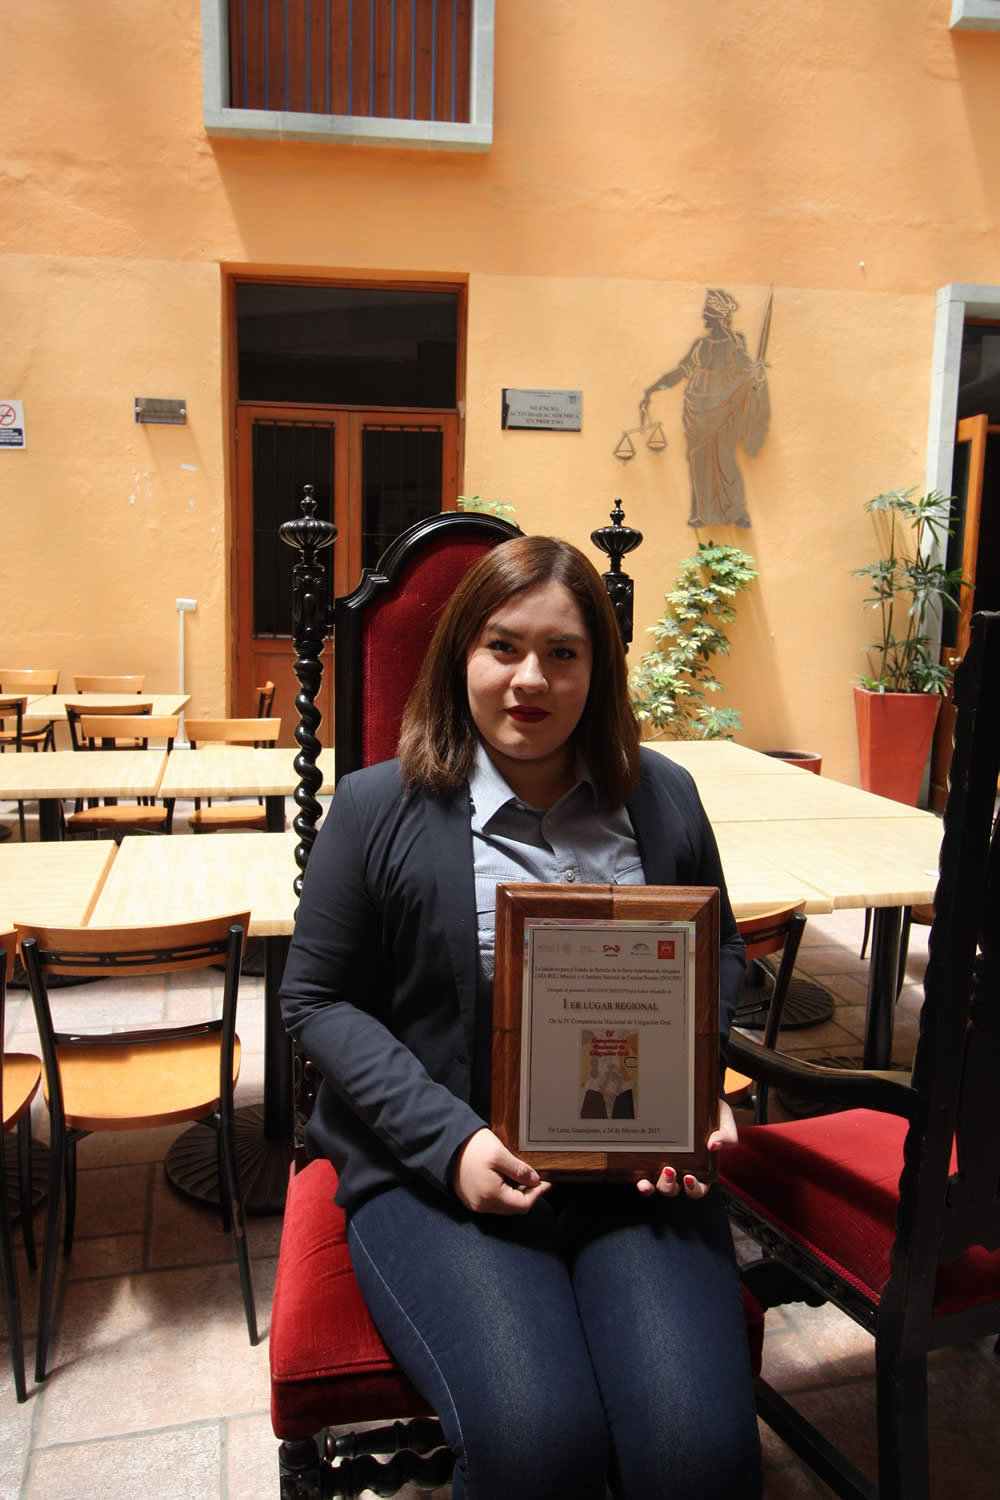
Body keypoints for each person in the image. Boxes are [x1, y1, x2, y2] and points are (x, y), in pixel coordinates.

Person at [281, 535, 762, 1500]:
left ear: (599, 669)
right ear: (461, 655)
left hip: (634, 1175)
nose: (530, 678)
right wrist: (450, 1142)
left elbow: (722, 952)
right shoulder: (376, 806)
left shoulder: (664, 796)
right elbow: (316, 999)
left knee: (699, 1456)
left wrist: (693, 1082)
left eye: (563, 653)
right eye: (503, 646)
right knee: (541, 1449)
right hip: (439, 1174)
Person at [642, 288, 770, 529]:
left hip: (725, 410)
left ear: (717, 317)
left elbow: (747, 373)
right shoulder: (700, 346)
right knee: (697, 460)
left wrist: (757, 374)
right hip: (696, 411)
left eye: (707, 314)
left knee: (725, 457)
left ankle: (735, 511)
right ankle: (699, 512)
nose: (703, 318)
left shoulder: (734, 343)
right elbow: (680, 372)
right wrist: (653, 389)